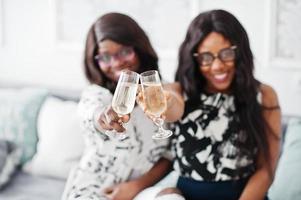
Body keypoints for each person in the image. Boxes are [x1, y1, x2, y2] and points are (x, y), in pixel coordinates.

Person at [152, 9, 281, 200]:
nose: (217, 66)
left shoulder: (264, 95)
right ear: (194, 58)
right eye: (206, 57)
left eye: (226, 53)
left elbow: (266, 169)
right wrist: (164, 102)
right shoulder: (178, 91)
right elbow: (172, 108)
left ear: (241, 52)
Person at [62, 12, 184, 200]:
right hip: (97, 189)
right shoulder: (97, 94)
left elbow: (169, 155)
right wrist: (103, 117)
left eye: (125, 51)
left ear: (140, 49)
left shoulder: (161, 94)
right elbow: (89, 114)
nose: (117, 63)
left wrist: (135, 187)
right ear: (94, 60)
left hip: (143, 189)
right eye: (105, 57)